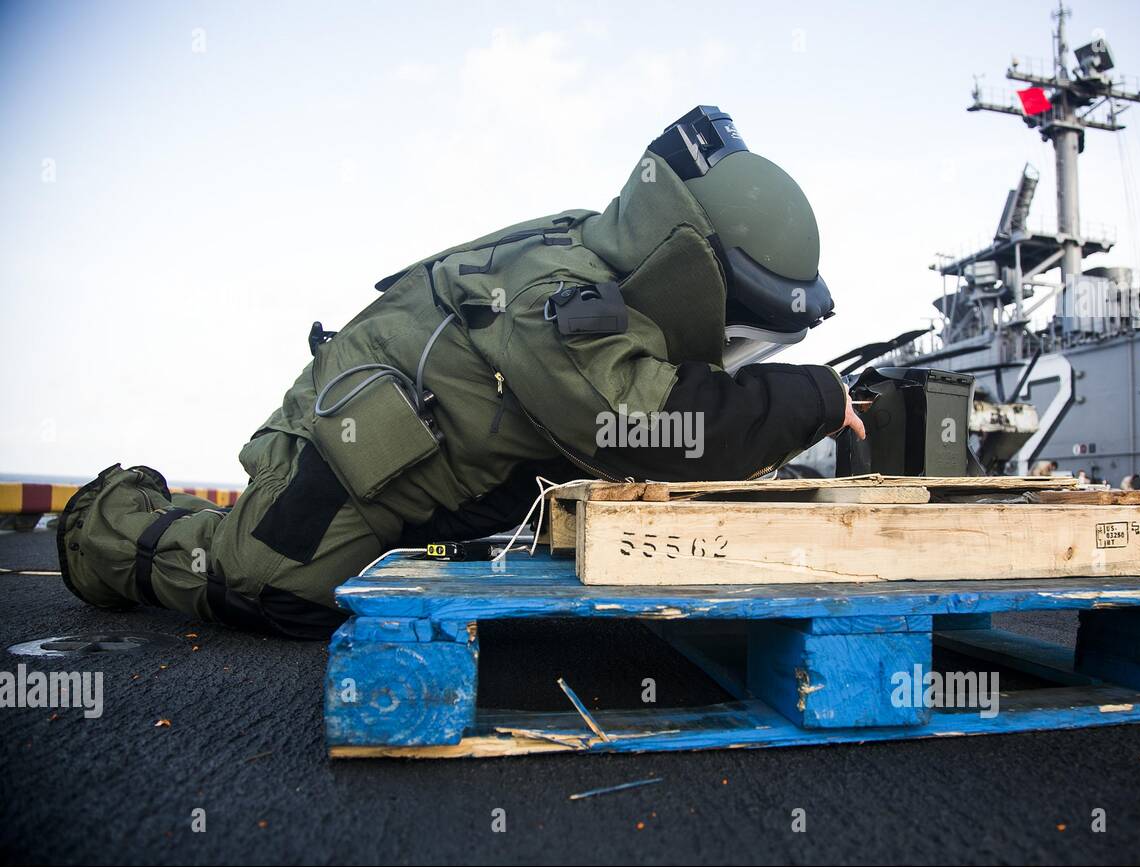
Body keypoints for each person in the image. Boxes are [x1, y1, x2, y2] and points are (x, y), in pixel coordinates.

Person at [57, 106, 865, 639]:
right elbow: (660, 423)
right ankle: (108, 523)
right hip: (338, 460)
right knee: (267, 588)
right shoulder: (561, 305)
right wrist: (818, 397)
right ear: (691, 275)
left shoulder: (602, 271)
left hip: (438, 471)